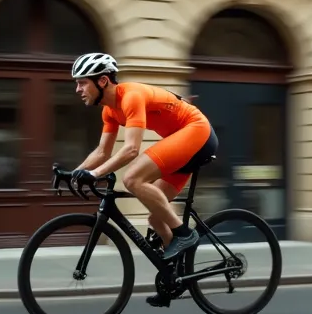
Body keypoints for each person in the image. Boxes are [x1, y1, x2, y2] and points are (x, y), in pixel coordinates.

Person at [66, 53, 219, 290]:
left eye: (82, 82)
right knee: (155, 218)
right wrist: (75, 173)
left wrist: (95, 175)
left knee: (133, 178)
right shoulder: (109, 111)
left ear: (103, 81)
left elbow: (130, 150)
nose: (78, 89)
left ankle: (184, 234)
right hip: (182, 142)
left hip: (197, 132)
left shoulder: (131, 96)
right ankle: (175, 278)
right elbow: (102, 152)